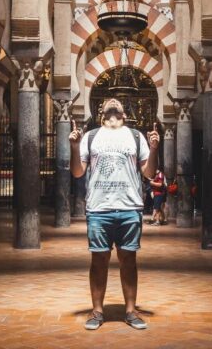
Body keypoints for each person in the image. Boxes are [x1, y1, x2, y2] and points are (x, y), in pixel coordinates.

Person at [70, 96, 159, 331]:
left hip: (130, 208)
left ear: (124, 113)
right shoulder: (90, 137)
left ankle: (131, 310)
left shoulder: (135, 136)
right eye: (109, 102)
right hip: (99, 209)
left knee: (128, 259)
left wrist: (154, 149)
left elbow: (149, 173)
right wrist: (73, 147)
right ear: (101, 113)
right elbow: (78, 172)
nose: (113, 102)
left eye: (118, 103)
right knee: (98, 260)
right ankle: (97, 311)